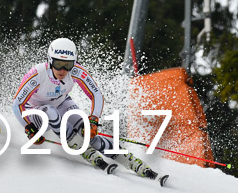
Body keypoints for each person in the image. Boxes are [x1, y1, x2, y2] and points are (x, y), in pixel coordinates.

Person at [12, 37, 164, 182]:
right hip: (35, 112)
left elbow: (96, 94)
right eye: (58, 64)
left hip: (61, 103)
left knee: (88, 131)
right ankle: (82, 148)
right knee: (51, 112)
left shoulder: (76, 71)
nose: (63, 70)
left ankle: (129, 160)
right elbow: (17, 104)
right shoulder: (38, 74)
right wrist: (29, 127)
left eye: (68, 65)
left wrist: (94, 119)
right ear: (50, 60)